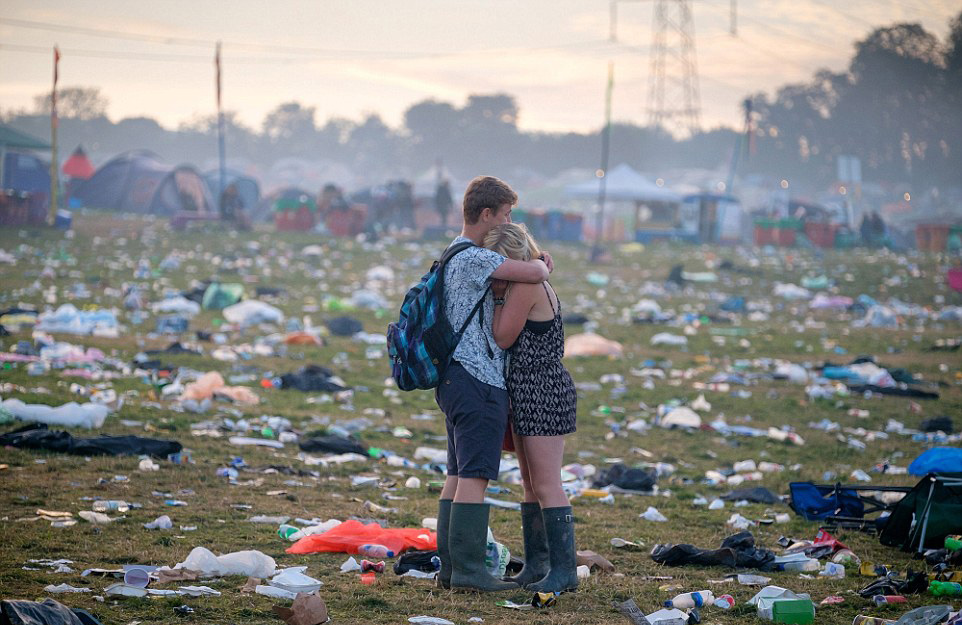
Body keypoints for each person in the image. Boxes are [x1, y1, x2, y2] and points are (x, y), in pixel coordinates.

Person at [435, 176, 553, 592]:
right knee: (475, 476)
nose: (508, 222)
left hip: (453, 378)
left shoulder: (452, 253)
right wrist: (541, 263)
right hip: (479, 378)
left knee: (457, 472)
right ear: (486, 215)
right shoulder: (477, 258)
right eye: (504, 214)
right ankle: (469, 573)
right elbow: (536, 268)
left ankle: (451, 570)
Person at [483, 222, 578, 594]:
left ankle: (564, 571)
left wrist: (498, 298)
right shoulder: (532, 280)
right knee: (529, 484)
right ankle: (538, 564)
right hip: (528, 391)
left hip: (542, 391)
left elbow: (502, 336)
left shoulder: (526, 286)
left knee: (546, 484)